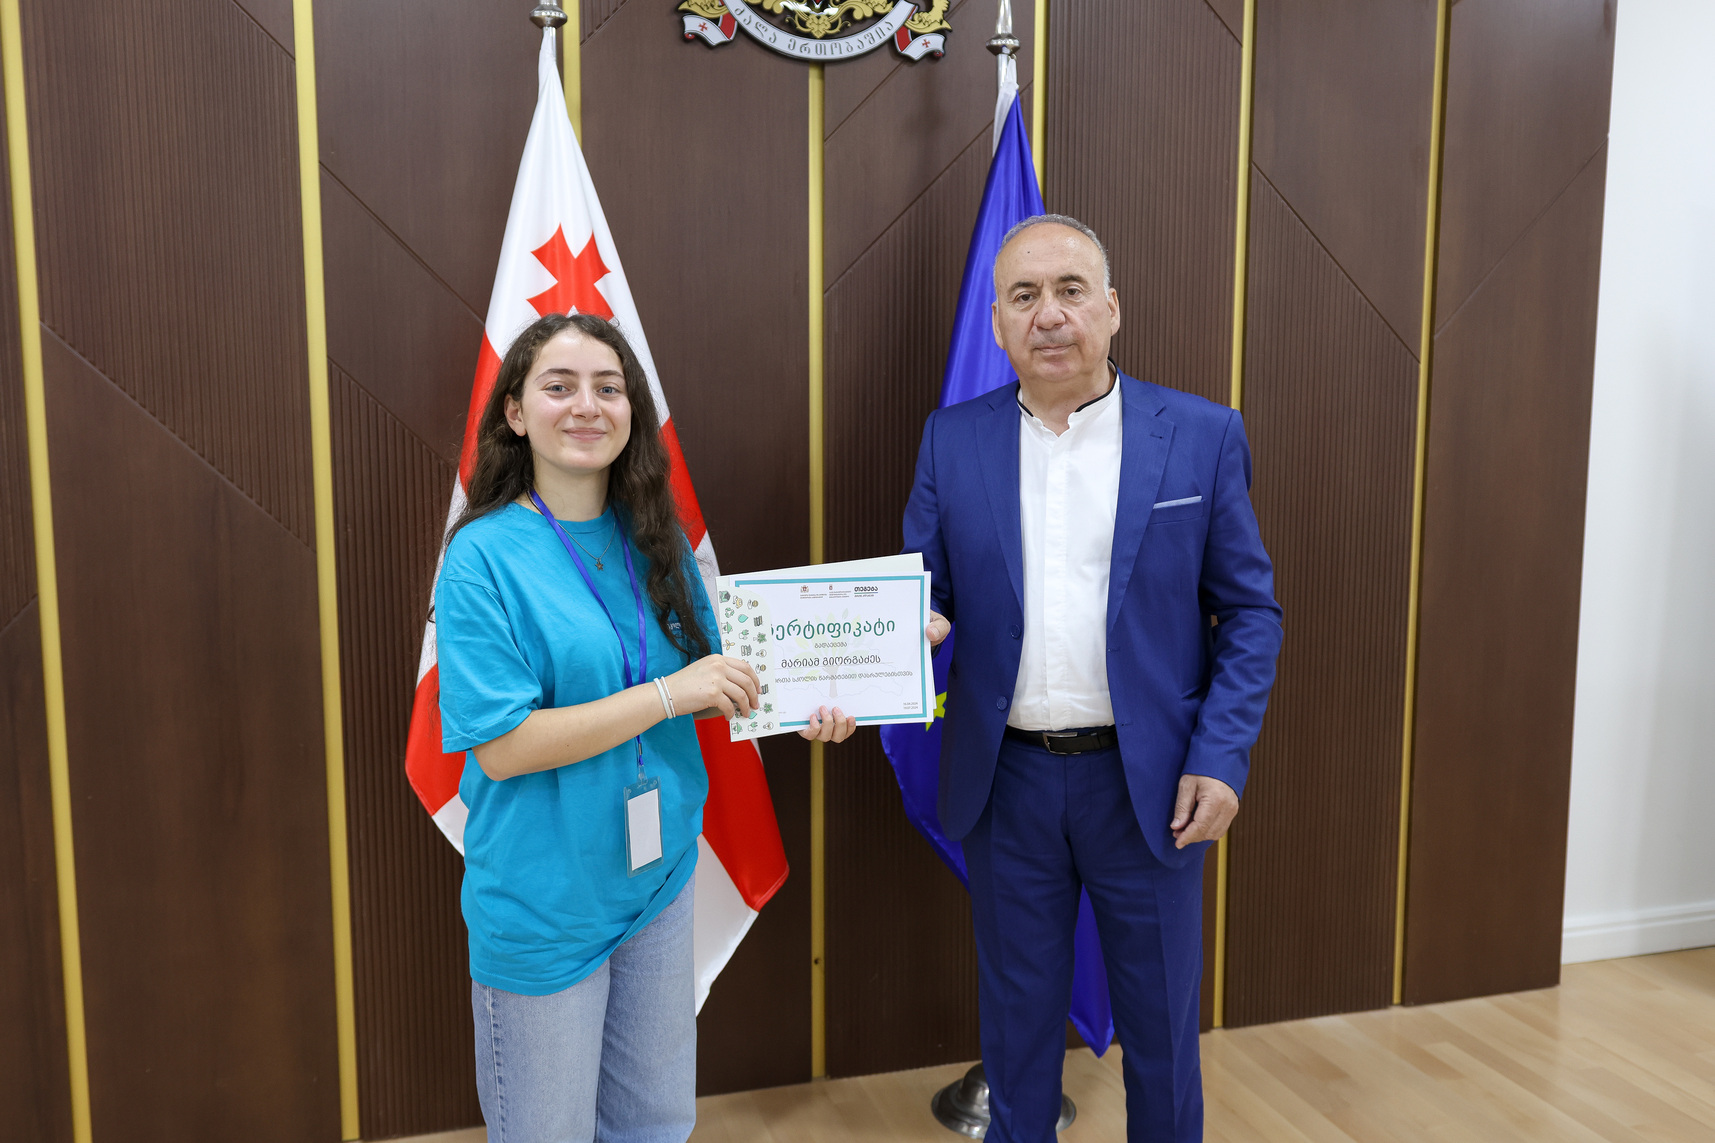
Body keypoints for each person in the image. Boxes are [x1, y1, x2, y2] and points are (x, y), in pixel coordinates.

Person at [903, 215, 1282, 1142]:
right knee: (1016, 1034)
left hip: (1149, 786)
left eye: (1070, 290)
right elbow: (923, 594)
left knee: (1161, 1034)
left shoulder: (1200, 436)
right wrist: (888, 647)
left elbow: (1250, 613)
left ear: (1110, 309)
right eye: (1024, 296)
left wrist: (1221, 757)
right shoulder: (951, 440)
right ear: (997, 324)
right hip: (1007, 785)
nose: (1049, 314)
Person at [434, 311, 856, 1143]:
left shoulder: (654, 539)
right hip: (545, 901)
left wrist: (851, 674)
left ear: (632, 411)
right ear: (515, 411)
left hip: (657, 882)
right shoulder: (481, 556)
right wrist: (668, 695)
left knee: (655, 1125)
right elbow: (504, 746)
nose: (586, 405)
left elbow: (728, 671)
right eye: (559, 386)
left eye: (608, 387)